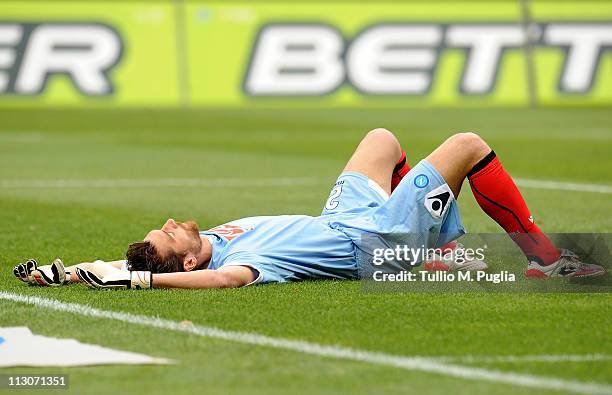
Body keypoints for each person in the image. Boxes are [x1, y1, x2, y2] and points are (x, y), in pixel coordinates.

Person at [13, 129, 605, 290]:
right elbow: (219, 280)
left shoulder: (213, 238)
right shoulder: (238, 263)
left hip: (343, 217)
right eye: (171, 238)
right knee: (468, 145)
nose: (171, 225)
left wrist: (70, 272)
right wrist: (147, 283)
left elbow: (134, 264)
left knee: (382, 140)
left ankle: (436, 243)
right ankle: (546, 259)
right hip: (372, 241)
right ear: (185, 265)